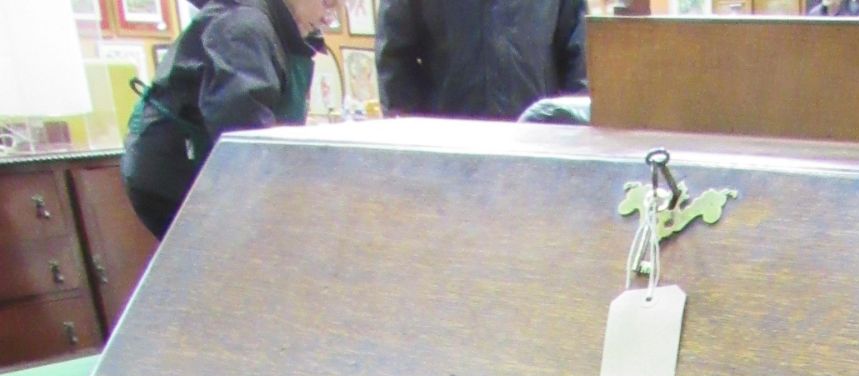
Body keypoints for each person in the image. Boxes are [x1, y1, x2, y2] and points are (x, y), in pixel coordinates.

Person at [121, 0, 337, 240]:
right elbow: (245, 135)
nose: (330, 16)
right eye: (328, 2)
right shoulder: (243, 25)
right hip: (175, 172)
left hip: (198, 163)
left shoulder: (273, 24)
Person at [375, 0, 587, 122]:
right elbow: (395, 57)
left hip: (539, 142)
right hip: (450, 146)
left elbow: (579, 55)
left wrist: (570, 133)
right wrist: (411, 140)